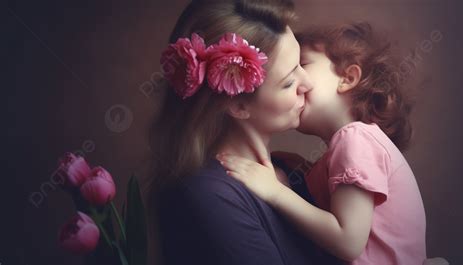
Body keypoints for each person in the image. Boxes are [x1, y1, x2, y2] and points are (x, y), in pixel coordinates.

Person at [146, 0, 340, 264]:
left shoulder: (288, 169)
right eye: (289, 81)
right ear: (237, 104)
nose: (307, 84)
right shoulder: (209, 197)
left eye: (301, 65)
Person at [217, 22, 427, 264]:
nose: (301, 82)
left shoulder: (355, 139)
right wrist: (301, 171)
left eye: (303, 65)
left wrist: (275, 191)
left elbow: (348, 242)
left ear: (348, 78)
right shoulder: (354, 143)